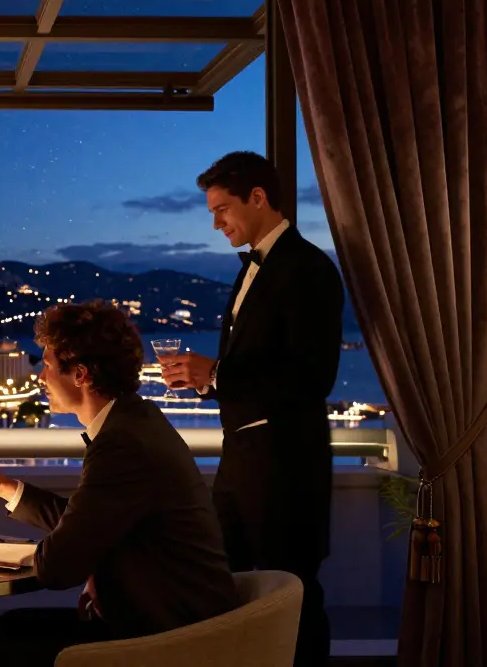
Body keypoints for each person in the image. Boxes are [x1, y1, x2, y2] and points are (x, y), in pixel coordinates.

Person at [0, 301, 237, 667]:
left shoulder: (122, 445)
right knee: (12, 627)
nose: (40, 377)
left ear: (81, 375)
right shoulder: (136, 419)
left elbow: (56, 567)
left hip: (168, 636)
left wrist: (91, 568)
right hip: (169, 613)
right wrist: (4, 487)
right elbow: (89, 523)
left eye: (49, 366)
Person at [162, 151, 343, 667]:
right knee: (227, 587)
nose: (216, 223)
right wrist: (205, 381)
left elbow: (312, 378)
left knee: (294, 595)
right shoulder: (254, 270)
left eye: (222, 209)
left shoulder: (307, 268)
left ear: (258, 198)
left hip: (286, 468)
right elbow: (257, 370)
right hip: (242, 464)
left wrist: (215, 373)